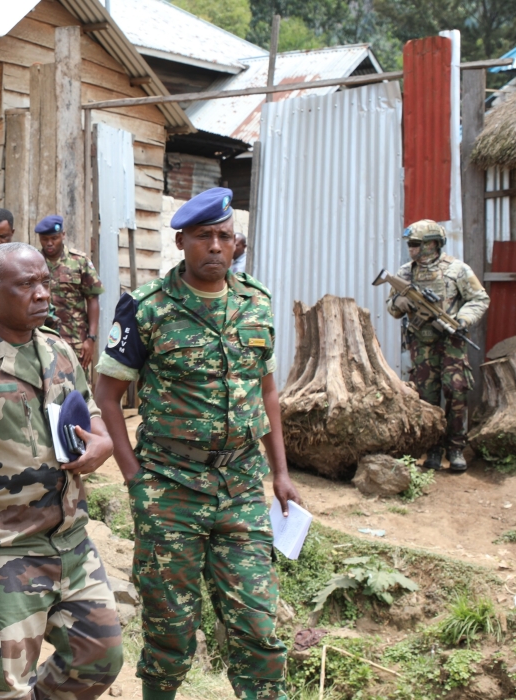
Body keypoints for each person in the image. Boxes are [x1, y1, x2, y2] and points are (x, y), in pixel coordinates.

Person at [93, 187, 302, 700]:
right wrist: (132, 475)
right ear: (181, 240)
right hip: (169, 489)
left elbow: (268, 392)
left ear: (236, 243)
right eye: (204, 236)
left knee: (259, 627)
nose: (215, 246)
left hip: (242, 486)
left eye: (224, 236)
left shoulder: (257, 304)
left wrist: (281, 473)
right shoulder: (147, 309)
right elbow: (107, 392)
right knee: (170, 630)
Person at [0, 242, 122, 700]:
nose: (43, 294)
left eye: (45, 282)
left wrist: (104, 441)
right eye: (27, 284)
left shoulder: (58, 348)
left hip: (70, 540)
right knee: (7, 684)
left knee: (101, 655)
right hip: (3, 551)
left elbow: (88, 411)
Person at [386, 219, 490, 472]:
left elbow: (479, 299)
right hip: (421, 344)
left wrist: (462, 320)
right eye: (410, 244)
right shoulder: (405, 273)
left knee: (456, 391)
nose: (410, 248)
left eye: (415, 244)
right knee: (427, 397)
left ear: (432, 244)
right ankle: (432, 448)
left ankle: (455, 448)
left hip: (452, 341)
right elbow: (391, 307)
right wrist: (399, 304)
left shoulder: (457, 269)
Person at [37, 214, 103, 367]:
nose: (49, 243)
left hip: (75, 340)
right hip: (41, 337)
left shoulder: (79, 261)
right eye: (45, 239)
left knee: (78, 387)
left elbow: (93, 299)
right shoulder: (33, 261)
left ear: (63, 235)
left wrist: (91, 338)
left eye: (54, 238)